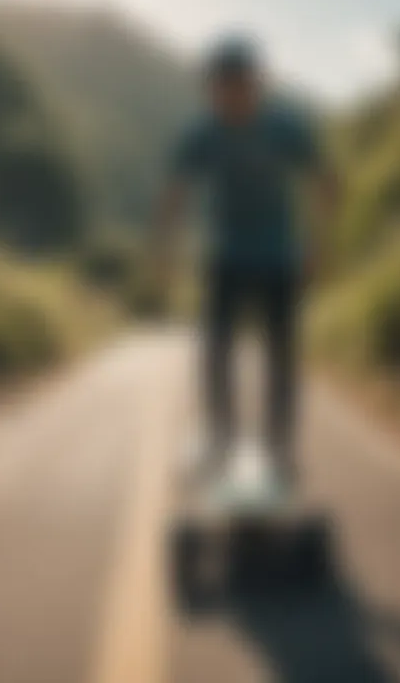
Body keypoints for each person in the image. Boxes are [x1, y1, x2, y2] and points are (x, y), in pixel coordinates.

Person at [153, 36, 337, 496]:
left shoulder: (285, 127)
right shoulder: (201, 132)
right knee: (215, 352)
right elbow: (175, 193)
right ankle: (221, 438)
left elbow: (325, 181)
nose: (232, 96)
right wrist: (165, 250)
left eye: (241, 86)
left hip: (279, 257)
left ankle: (279, 447)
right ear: (210, 89)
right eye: (222, 88)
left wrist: (319, 244)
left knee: (282, 356)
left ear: (257, 85)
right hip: (224, 258)